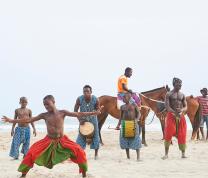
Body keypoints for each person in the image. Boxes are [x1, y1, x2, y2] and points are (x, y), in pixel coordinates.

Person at [2, 95, 102, 178]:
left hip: (63, 140)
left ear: (53, 102)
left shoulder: (63, 112)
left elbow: (78, 113)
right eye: (44, 105)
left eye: (47, 104)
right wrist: (11, 120)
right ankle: (23, 175)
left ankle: (84, 175)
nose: (46, 106)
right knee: (31, 153)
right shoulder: (44, 115)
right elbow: (28, 120)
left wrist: (94, 113)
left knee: (80, 151)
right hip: (48, 140)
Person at [162, 78, 187, 160]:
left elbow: (185, 106)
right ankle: (166, 154)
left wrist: (181, 110)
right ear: (174, 84)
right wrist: (174, 112)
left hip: (180, 115)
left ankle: (183, 153)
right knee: (168, 133)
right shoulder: (168, 94)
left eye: (180, 84)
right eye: (178, 84)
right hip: (171, 115)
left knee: (182, 134)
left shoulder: (182, 95)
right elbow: (167, 106)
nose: (180, 86)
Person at [75, 85, 100, 160]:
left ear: (91, 92)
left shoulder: (96, 99)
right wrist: (80, 120)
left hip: (93, 119)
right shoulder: (79, 99)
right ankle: (81, 154)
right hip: (83, 119)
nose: (86, 93)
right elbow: (75, 111)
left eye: (87, 91)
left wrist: (97, 111)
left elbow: (98, 109)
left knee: (96, 135)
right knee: (81, 136)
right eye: (84, 91)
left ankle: (96, 155)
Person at [116, 92, 142, 161]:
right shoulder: (122, 107)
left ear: (129, 98)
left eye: (125, 97)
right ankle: (128, 157)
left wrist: (136, 120)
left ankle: (138, 157)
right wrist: (118, 125)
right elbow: (121, 117)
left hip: (133, 123)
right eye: (123, 97)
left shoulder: (134, 105)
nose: (123, 99)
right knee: (125, 141)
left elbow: (139, 114)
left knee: (136, 140)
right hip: (124, 124)